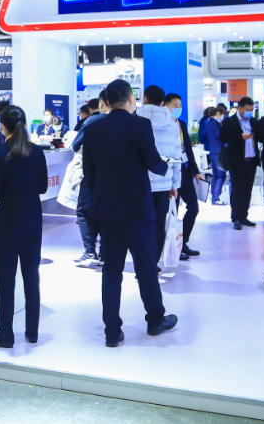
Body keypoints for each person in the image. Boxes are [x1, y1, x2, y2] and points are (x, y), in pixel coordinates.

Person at [81, 79, 177, 347]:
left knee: (111, 270)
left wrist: (101, 195)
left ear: (106, 101)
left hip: (108, 209)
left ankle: (112, 330)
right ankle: (155, 320)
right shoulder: (140, 125)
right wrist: (165, 167)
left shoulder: (93, 128)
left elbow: (89, 172)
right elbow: (153, 162)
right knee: (145, 267)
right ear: (131, 98)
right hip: (137, 208)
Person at [0, 106, 48, 349]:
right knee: (32, 277)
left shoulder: (0, 155)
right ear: (25, 124)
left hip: (7, 223)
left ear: (2, 127)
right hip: (33, 221)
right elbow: (43, 188)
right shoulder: (37, 152)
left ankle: (5, 333)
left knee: (6, 280)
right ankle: (33, 332)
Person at [134, 86, 182, 270]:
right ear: (163, 102)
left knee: (140, 225)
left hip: (140, 182)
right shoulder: (173, 124)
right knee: (159, 224)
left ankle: (142, 264)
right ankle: (152, 264)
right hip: (164, 181)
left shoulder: (136, 120)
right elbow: (177, 157)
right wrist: (175, 184)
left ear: (144, 99)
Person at [71, 92, 108, 268]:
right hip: (117, 177)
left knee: (84, 211)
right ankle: (105, 253)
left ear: (102, 103)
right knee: (107, 213)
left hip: (92, 173)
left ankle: (90, 251)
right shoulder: (132, 121)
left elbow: (75, 145)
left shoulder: (91, 121)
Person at [165, 93, 201, 260]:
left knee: (193, 207)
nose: (178, 108)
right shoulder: (163, 125)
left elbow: (188, 149)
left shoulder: (181, 124)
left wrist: (196, 171)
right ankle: (172, 247)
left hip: (184, 170)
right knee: (173, 211)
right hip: (170, 171)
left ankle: (182, 242)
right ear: (165, 106)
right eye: (175, 105)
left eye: (180, 105)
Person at [220, 97, 259, 230]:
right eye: (248, 110)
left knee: (247, 190)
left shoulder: (253, 121)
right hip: (237, 161)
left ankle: (243, 216)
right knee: (237, 190)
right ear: (240, 108)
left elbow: (259, 135)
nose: (250, 112)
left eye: (252, 110)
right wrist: (239, 137)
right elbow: (223, 137)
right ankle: (236, 217)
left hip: (251, 160)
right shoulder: (230, 121)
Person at [203, 105, 226, 205]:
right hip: (218, 152)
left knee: (215, 175)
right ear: (219, 114)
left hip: (213, 151)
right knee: (221, 175)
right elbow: (221, 137)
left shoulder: (209, 122)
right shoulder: (215, 124)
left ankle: (214, 197)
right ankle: (216, 197)